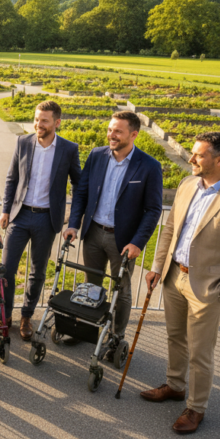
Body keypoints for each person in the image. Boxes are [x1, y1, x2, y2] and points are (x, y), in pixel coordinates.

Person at [141, 132, 220, 434]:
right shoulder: (187, 185)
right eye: (193, 153)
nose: (191, 158)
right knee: (175, 337)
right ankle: (175, 386)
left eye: (199, 155)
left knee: (200, 352)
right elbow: (170, 230)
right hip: (174, 277)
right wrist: (158, 267)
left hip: (207, 289)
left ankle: (196, 408)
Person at [64, 111, 162, 354]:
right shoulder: (97, 155)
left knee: (122, 291)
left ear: (133, 134)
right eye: (110, 130)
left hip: (125, 241)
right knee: (91, 284)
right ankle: (87, 329)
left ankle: (116, 337)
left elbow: (153, 210)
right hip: (93, 233)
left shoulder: (149, 166)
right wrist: (74, 224)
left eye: (118, 131)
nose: (111, 135)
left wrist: (137, 242)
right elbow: (81, 193)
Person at [0, 101, 81, 339]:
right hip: (20, 216)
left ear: (57, 122)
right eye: (36, 119)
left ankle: (26, 316)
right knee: (6, 270)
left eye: (44, 120)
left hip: (47, 220)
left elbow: (78, 185)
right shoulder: (23, 142)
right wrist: (5, 210)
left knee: (37, 273)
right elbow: (11, 179)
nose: (38, 124)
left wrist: (73, 220)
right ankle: (5, 316)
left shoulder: (68, 149)